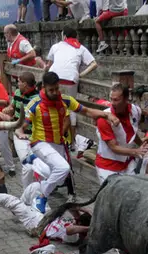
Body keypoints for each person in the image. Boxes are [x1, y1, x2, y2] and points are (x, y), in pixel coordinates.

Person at [25, 72, 120, 213]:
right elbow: (23, 125)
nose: (55, 92)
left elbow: (87, 111)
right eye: (51, 90)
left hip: (58, 144)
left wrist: (106, 114)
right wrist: (19, 132)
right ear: (43, 87)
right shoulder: (35, 104)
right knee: (63, 168)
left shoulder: (66, 100)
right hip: (40, 143)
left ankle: (34, 165)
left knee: (61, 176)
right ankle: (42, 196)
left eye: (57, 88)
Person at [95, 83, 148, 183]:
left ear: (126, 99)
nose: (112, 103)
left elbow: (131, 131)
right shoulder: (104, 119)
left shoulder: (135, 110)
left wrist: (142, 144)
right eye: (111, 99)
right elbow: (113, 147)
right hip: (108, 167)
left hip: (127, 164)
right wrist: (136, 152)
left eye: (116, 100)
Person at [46, 27, 98, 143]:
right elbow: (94, 64)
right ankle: (72, 141)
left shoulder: (56, 46)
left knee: (54, 105)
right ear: (76, 37)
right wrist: (81, 74)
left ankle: (54, 134)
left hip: (54, 78)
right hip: (70, 80)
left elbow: (48, 64)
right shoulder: (80, 48)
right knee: (71, 107)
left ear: (64, 36)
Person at [0, 181, 90, 240]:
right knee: (36, 186)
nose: (75, 220)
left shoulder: (75, 236)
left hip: (37, 223)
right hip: (47, 215)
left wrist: (89, 228)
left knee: (12, 201)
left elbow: (70, 229)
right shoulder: (77, 223)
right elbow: (70, 207)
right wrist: (87, 211)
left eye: (78, 220)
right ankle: (22, 208)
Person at [3, 71, 38, 176]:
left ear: (25, 84)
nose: (17, 84)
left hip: (33, 134)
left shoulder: (37, 98)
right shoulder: (18, 92)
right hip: (18, 133)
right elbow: (12, 107)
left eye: (18, 82)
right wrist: (7, 110)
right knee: (26, 162)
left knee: (35, 162)